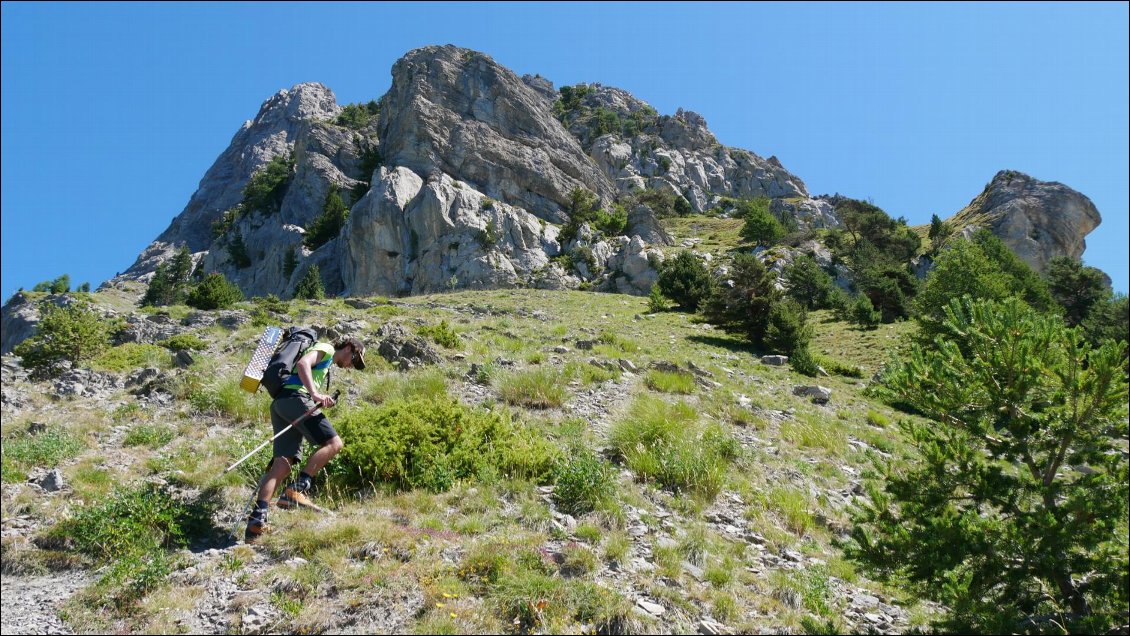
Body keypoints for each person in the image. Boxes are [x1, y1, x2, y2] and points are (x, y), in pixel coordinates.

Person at [245, 336, 366, 542]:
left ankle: (255, 525)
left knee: (282, 465)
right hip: (296, 399)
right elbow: (303, 364)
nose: (350, 366)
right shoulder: (326, 349)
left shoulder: (325, 362)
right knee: (334, 443)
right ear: (348, 348)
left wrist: (317, 397)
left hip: (281, 403)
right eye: (353, 360)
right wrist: (315, 394)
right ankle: (296, 490)